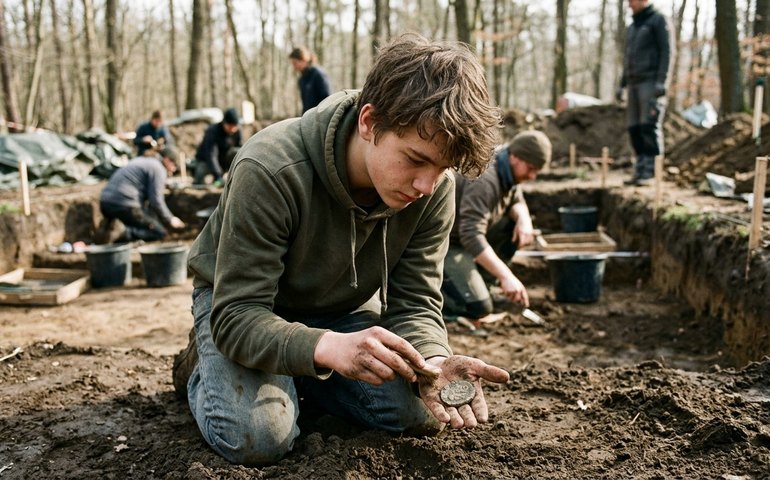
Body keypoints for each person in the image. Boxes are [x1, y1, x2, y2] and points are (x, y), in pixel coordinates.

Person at [172, 33, 509, 467]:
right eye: (415, 159)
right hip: (245, 308)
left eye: (442, 168)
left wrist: (433, 360)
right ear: (369, 122)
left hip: (338, 312)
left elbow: (417, 302)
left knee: (418, 415)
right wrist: (329, 348)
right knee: (260, 438)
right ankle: (202, 363)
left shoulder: (432, 189)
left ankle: (302, 376)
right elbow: (239, 313)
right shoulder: (271, 168)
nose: (426, 185)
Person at [442, 130, 551, 320]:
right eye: (531, 169)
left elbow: (516, 198)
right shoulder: (485, 180)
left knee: (513, 226)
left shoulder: (505, 166)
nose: (533, 176)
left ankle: (483, 284)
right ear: (516, 157)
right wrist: (506, 276)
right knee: (479, 307)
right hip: (447, 244)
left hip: (464, 241)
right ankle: (443, 295)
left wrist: (524, 220)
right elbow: (470, 235)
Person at [615, 0, 674, 186]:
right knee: (635, 128)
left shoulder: (658, 20)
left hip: (650, 80)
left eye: (632, 1)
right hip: (633, 82)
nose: (629, 5)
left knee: (649, 126)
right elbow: (628, 58)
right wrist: (622, 84)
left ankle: (652, 171)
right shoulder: (633, 26)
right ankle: (640, 168)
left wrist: (662, 81)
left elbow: (668, 51)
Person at [97, 147, 185, 243]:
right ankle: (123, 231)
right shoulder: (159, 168)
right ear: (167, 159)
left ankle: (108, 227)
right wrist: (170, 219)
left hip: (105, 201)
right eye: (174, 165)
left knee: (144, 216)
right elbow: (156, 200)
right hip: (124, 204)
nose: (173, 169)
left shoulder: (144, 161)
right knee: (159, 231)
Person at [192, 107, 242, 186]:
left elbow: (240, 149)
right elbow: (211, 155)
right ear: (224, 123)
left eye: (234, 126)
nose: (232, 129)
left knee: (238, 152)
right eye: (230, 126)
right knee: (200, 172)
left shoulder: (237, 131)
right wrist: (218, 175)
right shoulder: (213, 131)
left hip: (224, 158)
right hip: (207, 160)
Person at [289, 46, 332, 113]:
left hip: (321, 116)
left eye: (295, 63)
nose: (294, 66)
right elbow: (305, 104)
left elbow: (327, 98)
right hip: (308, 118)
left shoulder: (318, 74)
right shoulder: (302, 79)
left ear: (303, 60)